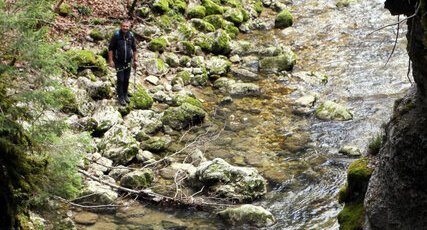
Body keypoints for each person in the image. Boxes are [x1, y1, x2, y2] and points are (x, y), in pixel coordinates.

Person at [108, 21, 138, 106]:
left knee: (127, 79)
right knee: (120, 79)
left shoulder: (131, 36)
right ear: (121, 26)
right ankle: (120, 97)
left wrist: (135, 60)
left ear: (129, 27)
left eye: (127, 26)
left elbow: (135, 49)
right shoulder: (116, 36)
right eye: (124, 26)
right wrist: (111, 60)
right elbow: (110, 48)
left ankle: (125, 94)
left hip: (128, 61)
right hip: (119, 61)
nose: (125, 28)